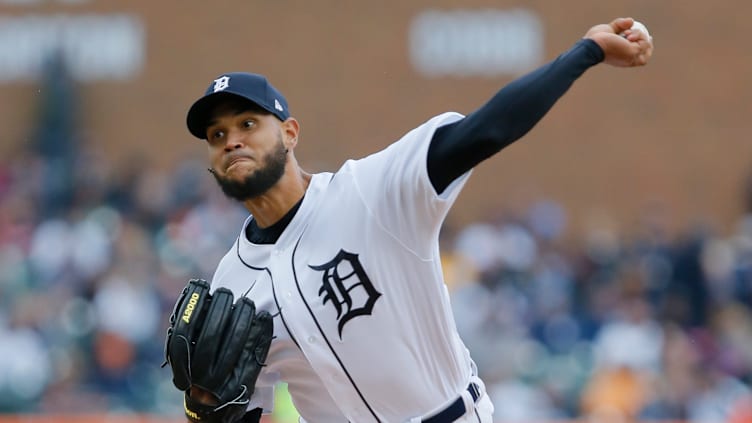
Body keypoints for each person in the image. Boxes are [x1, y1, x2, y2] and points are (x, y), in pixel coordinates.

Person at [174, 17, 654, 423]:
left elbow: (486, 129)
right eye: (217, 135)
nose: (232, 140)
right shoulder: (231, 283)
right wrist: (201, 409)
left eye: (247, 124)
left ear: (291, 132)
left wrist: (585, 51)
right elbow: (237, 411)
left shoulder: (371, 192)